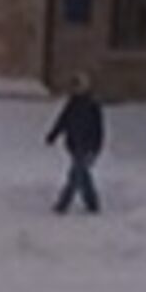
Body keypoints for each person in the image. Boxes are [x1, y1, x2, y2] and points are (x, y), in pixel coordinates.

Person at [45, 72, 104, 214]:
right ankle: (92, 203)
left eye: (78, 86)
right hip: (73, 144)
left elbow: (99, 129)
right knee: (82, 174)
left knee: (75, 174)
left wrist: (96, 148)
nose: (75, 89)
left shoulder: (92, 105)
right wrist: (53, 135)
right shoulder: (72, 104)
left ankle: (63, 203)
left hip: (87, 145)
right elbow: (63, 120)